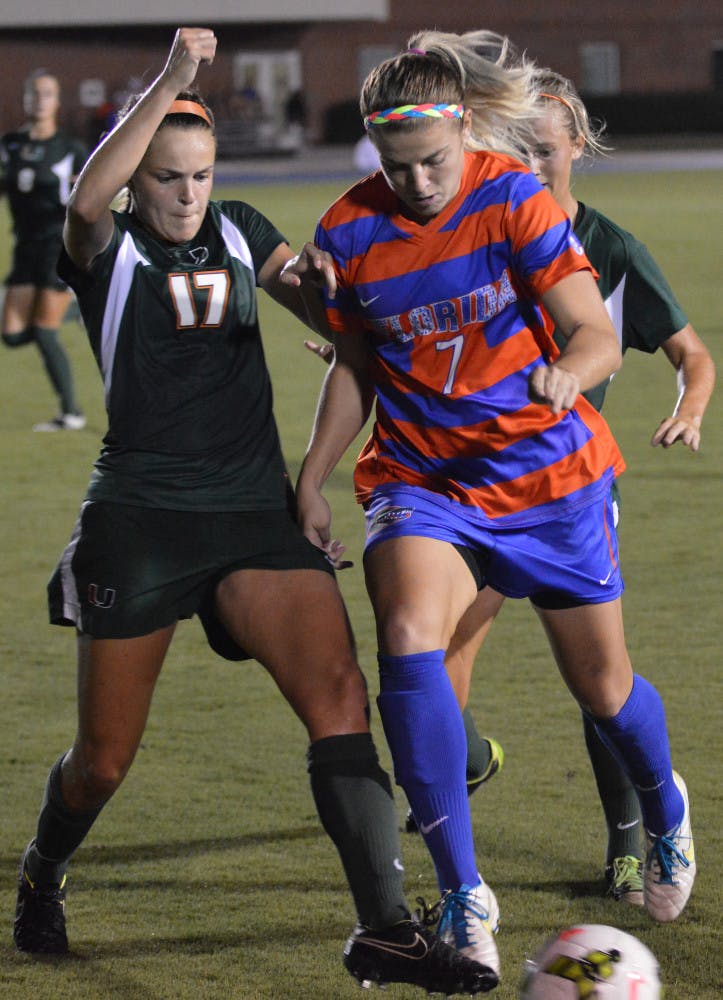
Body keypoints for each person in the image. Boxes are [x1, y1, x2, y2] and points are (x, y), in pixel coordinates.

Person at [11, 28, 497, 997]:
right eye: (167, 178)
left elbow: (327, 312)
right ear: (138, 178)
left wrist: (345, 323)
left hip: (250, 516)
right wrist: (174, 80)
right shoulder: (103, 251)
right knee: (103, 762)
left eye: (198, 175)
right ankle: (42, 871)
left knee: (340, 700)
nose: (187, 193)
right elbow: (81, 201)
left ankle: (385, 931)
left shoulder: (238, 227)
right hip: (141, 520)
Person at [287, 30, 697, 979]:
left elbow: (591, 329)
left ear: (465, 130)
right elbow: (355, 364)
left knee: (602, 689)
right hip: (425, 479)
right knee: (405, 637)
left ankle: (662, 802)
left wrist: (570, 373)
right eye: (398, 167)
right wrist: (311, 475)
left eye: (432, 161)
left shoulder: (511, 198)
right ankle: (464, 891)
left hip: (547, 478)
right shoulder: (350, 227)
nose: (419, 182)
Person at [405, 67, 716, 906]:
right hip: (467, 482)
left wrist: (688, 409)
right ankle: (454, 789)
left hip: (564, 489)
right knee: (431, 654)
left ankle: (632, 833)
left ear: (577, 144)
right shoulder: (479, 226)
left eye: (544, 149)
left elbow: (693, 353)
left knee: (595, 681)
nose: (532, 166)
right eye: (515, 150)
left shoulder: (608, 249)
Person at [1, 68, 87, 431]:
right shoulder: (10, 145)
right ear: (25, 99)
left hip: (56, 247)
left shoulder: (71, 149)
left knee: (44, 331)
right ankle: (78, 309)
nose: (40, 99)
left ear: (57, 100)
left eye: (47, 93)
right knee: (13, 334)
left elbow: (95, 195)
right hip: (24, 247)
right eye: (34, 93)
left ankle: (71, 414)